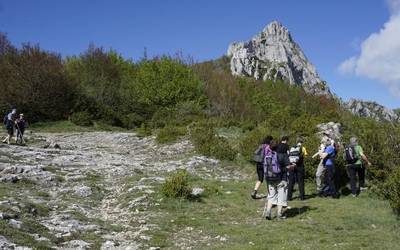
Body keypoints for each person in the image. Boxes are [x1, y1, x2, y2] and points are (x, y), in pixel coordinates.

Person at [264, 141, 295, 220]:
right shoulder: (283, 156)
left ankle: (268, 212)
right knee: (281, 197)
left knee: (271, 196)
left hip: (270, 179)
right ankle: (279, 214)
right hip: (281, 179)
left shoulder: (268, 155)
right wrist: (293, 166)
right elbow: (287, 167)